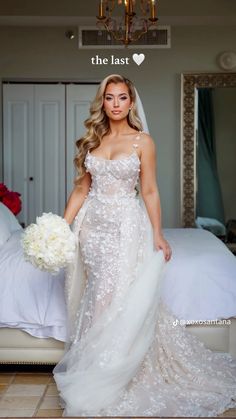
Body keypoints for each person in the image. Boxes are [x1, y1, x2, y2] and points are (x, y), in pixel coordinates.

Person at [53, 74, 236, 417]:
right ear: (102, 102)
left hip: (125, 225)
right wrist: (61, 227)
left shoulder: (143, 142)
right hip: (93, 229)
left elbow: (149, 191)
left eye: (123, 97)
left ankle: (116, 371)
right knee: (98, 295)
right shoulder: (92, 140)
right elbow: (80, 189)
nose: (117, 104)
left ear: (131, 102)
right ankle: (96, 367)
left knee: (117, 293)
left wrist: (158, 233)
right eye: (110, 98)